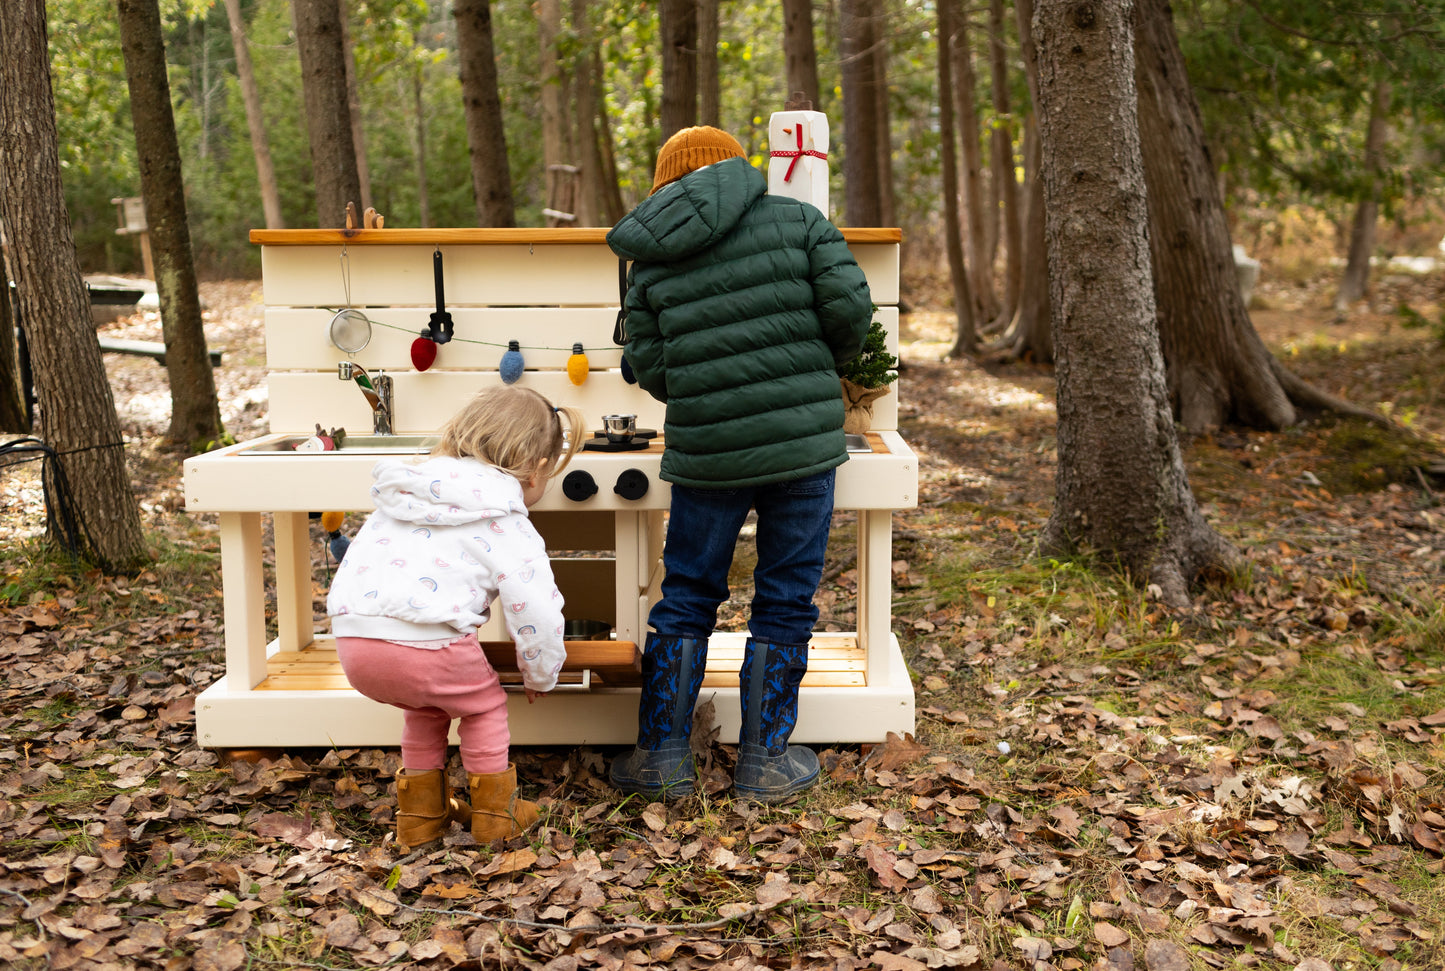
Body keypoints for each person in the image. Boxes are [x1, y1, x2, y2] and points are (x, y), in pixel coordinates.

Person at [605, 126, 873, 803]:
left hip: (706, 450)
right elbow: (850, 313)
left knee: (688, 595)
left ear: (666, 182)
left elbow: (652, 368)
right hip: (802, 443)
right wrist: (816, 368)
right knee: (785, 596)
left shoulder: (650, 258)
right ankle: (764, 762)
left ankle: (661, 758)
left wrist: (705, 392)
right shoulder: (799, 221)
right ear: (735, 166)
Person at [327, 386, 585, 848]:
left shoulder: (406, 493)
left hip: (354, 643)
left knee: (424, 706)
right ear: (537, 468)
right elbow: (537, 610)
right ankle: (496, 817)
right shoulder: (505, 517)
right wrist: (541, 673)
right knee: (483, 706)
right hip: (428, 644)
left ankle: (419, 818)